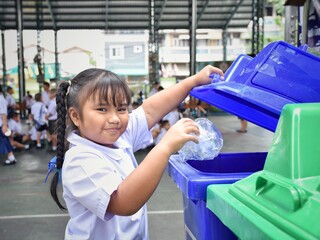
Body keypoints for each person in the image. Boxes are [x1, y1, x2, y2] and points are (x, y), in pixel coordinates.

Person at [49, 66, 223, 239]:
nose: (115, 118)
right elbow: (124, 202)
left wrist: (192, 81)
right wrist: (165, 146)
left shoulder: (118, 137)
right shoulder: (80, 159)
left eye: (121, 108)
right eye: (102, 109)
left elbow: (149, 110)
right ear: (76, 116)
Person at [0, 85, 17, 165]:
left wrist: (4, 125)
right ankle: (11, 157)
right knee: (4, 140)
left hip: (1, 124)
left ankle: (11, 157)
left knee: (4, 140)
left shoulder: (1, 99)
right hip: (1, 123)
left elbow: (3, 113)